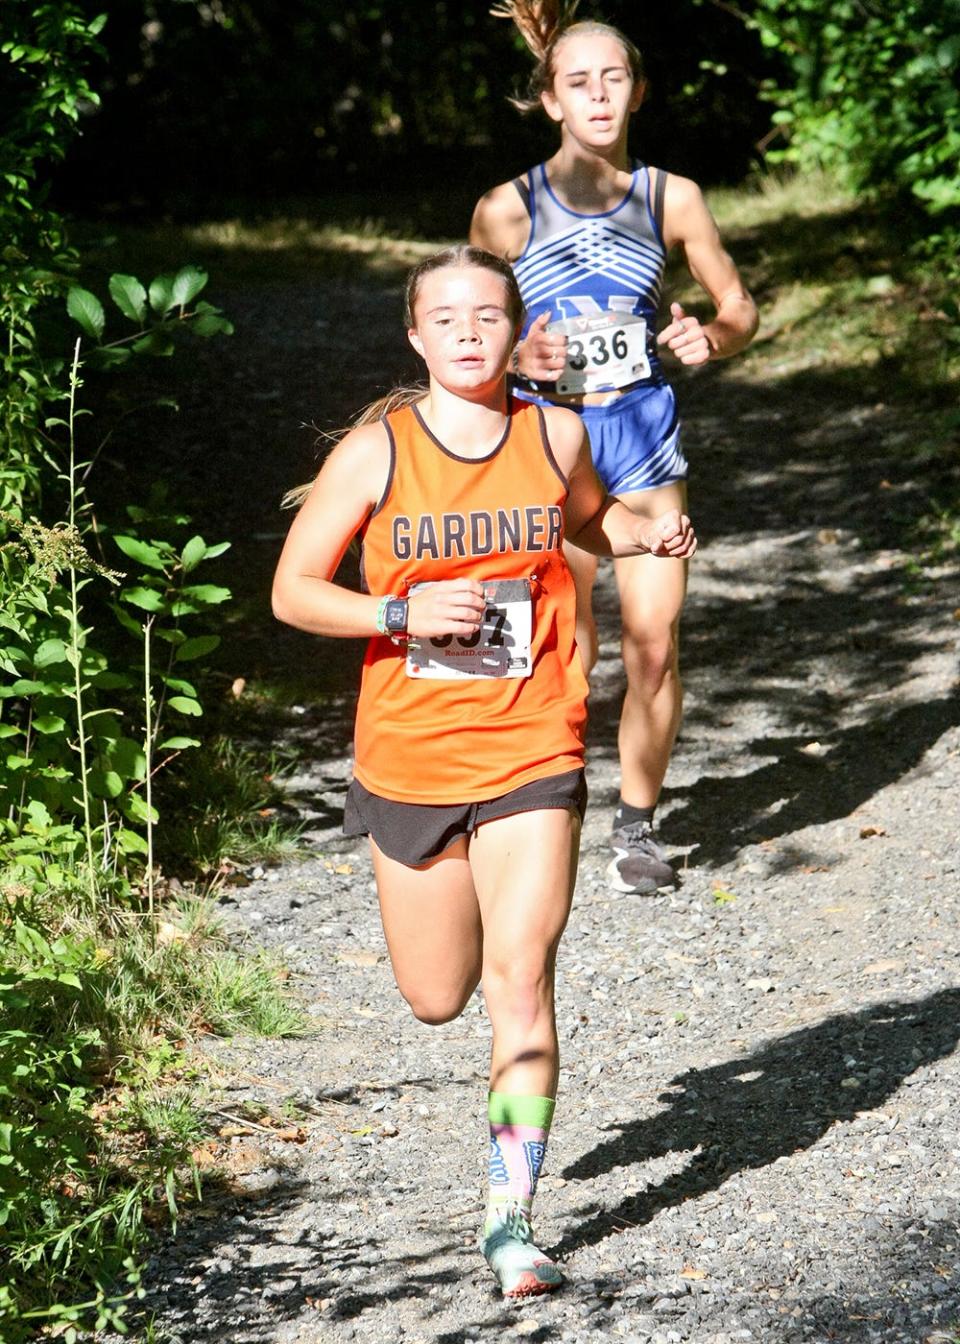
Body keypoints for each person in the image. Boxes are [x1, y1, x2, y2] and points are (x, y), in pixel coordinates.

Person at [271, 245, 696, 1297]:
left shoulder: (555, 430)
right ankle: (499, 1164)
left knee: (520, 981)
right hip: (411, 756)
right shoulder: (377, 453)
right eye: (446, 317)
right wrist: (399, 612)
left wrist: (644, 530)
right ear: (416, 336)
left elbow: (587, 517)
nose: (468, 331)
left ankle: (511, 1223)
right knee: (436, 993)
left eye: (488, 316)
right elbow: (291, 590)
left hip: (531, 744)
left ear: (517, 333)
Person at [470, 2, 758, 895]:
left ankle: (638, 829)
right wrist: (521, 357)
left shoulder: (672, 198)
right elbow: (469, 342)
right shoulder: (506, 212)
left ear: (636, 90)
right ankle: (541, 805)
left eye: (615, 79)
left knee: (653, 642)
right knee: (565, 646)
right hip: (551, 449)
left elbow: (741, 308)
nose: (599, 96)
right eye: (579, 83)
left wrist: (715, 336)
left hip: (642, 439)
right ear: (551, 99)